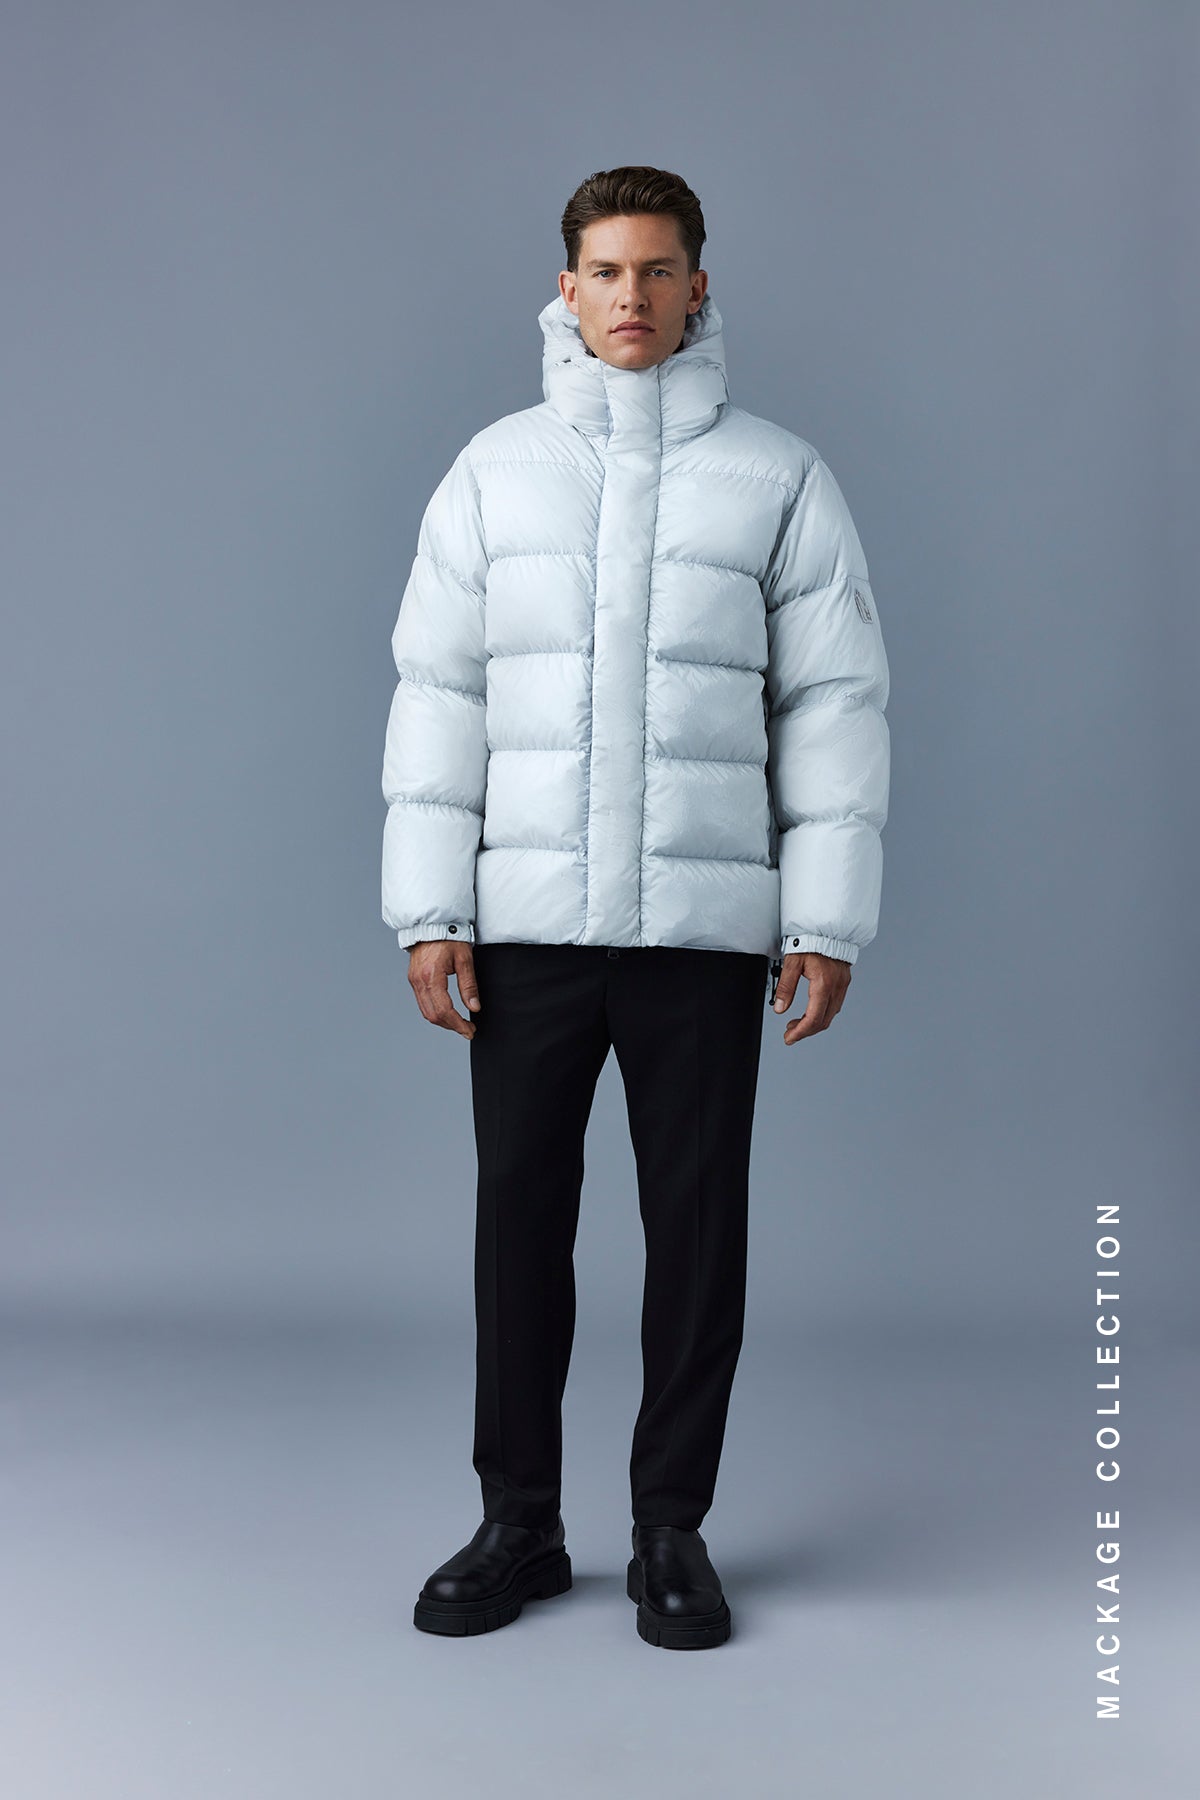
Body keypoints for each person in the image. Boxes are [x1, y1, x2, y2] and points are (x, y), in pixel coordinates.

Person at [381, 166, 890, 1649]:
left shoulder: (780, 479)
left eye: (658, 271)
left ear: (698, 287)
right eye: (605, 271)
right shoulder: (494, 472)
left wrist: (824, 922)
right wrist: (430, 908)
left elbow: (836, 703)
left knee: (698, 1230)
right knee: (518, 1228)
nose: (630, 297)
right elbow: (439, 695)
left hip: (703, 936)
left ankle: (672, 1527)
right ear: (566, 288)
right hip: (528, 929)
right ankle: (519, 1525)